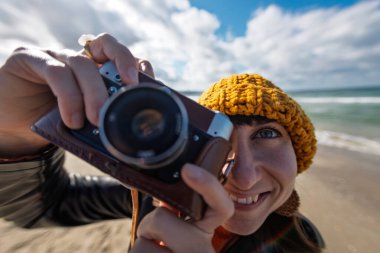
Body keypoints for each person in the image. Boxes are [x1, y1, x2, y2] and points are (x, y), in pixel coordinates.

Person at [0, 33, 325, 252]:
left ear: (299, 153)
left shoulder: (302, 242)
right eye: (218, 143)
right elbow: (42, 207)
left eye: (266, 134)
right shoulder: (155, 196)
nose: (242, 176)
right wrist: (12, 135)